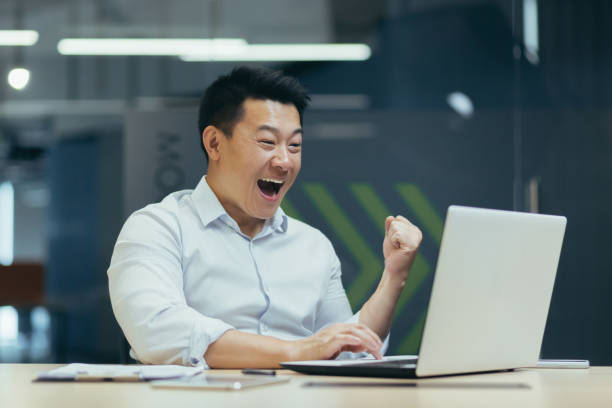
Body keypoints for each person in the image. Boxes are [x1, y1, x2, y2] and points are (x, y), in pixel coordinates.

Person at [107, 66, 422, 368]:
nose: (284, 161)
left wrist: (395, 275)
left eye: (295, 145)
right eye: (267, 142)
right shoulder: (158, 228)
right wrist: (300, 350)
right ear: (214, 143)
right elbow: (157, 330)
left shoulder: (312, 246)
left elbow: (348, 351)